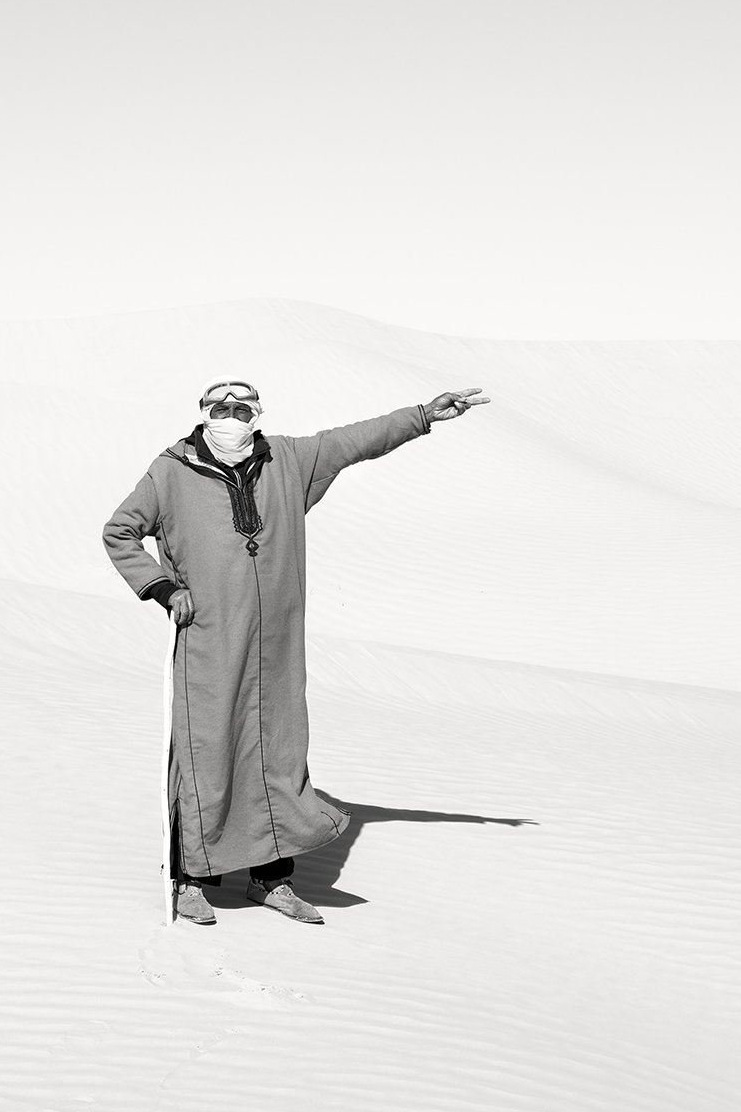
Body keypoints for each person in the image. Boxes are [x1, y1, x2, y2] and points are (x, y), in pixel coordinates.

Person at [102, 376, 490, 924]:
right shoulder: (170, 470)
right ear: (203, 412)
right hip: (210, 636)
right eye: (219, 407)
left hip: (278, 639)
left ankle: (271, 882)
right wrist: (163, 588)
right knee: (207, 752)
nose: (229, 415)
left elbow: (356, 439)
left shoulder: (287, 458)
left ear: (256, 413)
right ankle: (190, 881)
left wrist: (424, 414)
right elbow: (120, 531)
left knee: (278, 753)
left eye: (241, 407)